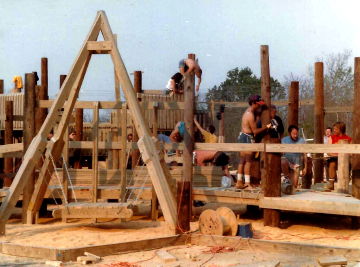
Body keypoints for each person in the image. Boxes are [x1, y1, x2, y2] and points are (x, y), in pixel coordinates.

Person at [236, 95, 272, 189]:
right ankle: (247, 183)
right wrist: (267, 127)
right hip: (247, 137)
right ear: (253, 103)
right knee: (248, 161)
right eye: (258, 104)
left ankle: (239, 181)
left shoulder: (249, 111)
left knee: (242, 160)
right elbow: (255, 131)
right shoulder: (250, 115)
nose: (259, 106)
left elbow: (258, 111)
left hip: (242, 136)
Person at [326, 122, 352, 190]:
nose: (334, 130)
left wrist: (343, 155)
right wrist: (337, 155)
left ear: (340, 129)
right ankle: (331, 184)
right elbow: (328, 152)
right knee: (332, 164)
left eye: (336, 129)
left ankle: (345, 184)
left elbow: (351, 153)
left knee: (346, 165)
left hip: (345, 159)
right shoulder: (332, 137)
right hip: (334, 158)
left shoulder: (348, 139)